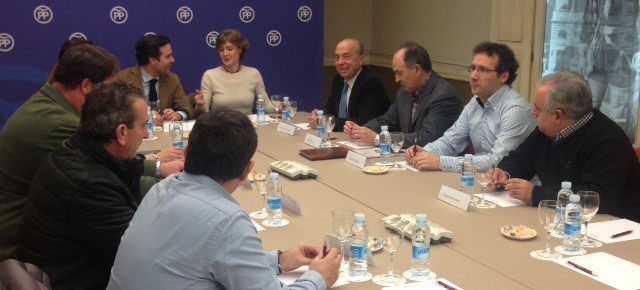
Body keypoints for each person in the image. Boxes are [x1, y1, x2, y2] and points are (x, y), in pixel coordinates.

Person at [107, 108, 342, 290]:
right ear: (246, 171)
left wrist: (278, 260)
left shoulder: (162, 188)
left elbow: (200, 261)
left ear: (187, 153)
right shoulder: (228, 220)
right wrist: (319, 277)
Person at [0, 44, 183, 261]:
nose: (111, 98)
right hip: (19, 247)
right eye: (106, 89)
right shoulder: (61, 127)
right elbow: (111, 183)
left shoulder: (48, 105)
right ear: (87, 86)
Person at [17, 81, 158, 290]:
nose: (146, 134)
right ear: (121, 133)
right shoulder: (89, 185)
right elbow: (146, 253)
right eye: (143, 125)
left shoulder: (75, 150)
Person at [492, 71, 640, 222]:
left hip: (614, 228)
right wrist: (505, 172)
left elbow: (597, 197)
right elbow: (520, 159)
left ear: (558, 115)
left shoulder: (607, 140)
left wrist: (536, 195)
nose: (532, 113)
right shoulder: (545, 131)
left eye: (538, 109)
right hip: (562, 219)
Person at [406, 42, 535, 172]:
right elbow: (450, 141)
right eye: (472, 68)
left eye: (482, 70)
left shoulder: (515, 110)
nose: (473, 76)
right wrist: (424, 152)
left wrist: (440, 162)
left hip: (515, 186)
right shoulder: (476, 102)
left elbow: (497, 161)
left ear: (503, 76)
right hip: (482, 181)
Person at [344, 42, 463, 148]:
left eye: (399, 73)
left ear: (417, 70)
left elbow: (427, 138)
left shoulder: (444, 96)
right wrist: (362, 130)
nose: (396, 80)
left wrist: (379, 139)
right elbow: (387, 120)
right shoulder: (404, 92)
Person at [308, 38, 389, 131]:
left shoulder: (371, 83)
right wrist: (320, 114)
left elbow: (364, 121)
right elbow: (330, 109)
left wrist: (323, 122)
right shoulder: (338, 80)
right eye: (337, 58)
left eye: (346, 57)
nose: (340, 62)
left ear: (361, 59)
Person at [194, 29, 276, 115]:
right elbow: (202, 115)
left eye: (229, 49)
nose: (225, 54)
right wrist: (200, 105)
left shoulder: (253, 73)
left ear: (239, 49)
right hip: (219, 126)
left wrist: (279, 108)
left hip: (246, 126)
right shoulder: (210, 75)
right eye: (221, 50)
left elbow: (267, 106)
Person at [119, 34, 194, 123]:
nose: (173, 60)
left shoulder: (172, 79)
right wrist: (145, 117)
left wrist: (178, 115)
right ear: (153, 60)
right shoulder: (123, 78)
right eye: (168, 56)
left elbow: (187, 107)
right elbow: (115, 112)